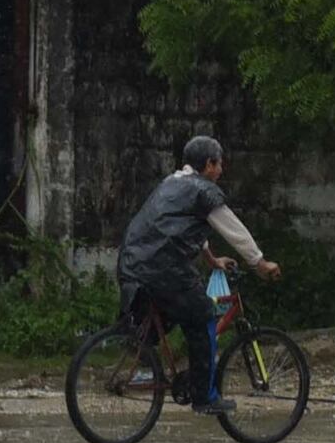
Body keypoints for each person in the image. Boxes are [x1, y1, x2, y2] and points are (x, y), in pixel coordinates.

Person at [118, 134, 278, 409]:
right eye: (219, 164)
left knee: (175, 310)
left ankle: (144, 351)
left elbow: (183, 228)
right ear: (208, 164)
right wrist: (260, 263)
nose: (221, 170)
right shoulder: (204, 191)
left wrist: (211, 260)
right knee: (204, 314)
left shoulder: (171, 184)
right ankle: (205, 397)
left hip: (132, 264)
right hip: (164, 270)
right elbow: (234, 229)